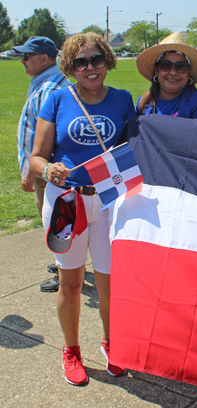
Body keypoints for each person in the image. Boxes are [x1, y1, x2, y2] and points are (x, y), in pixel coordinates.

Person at [29, 32, 136, 386]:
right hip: (67, 203)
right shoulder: (58, 99)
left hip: (107, 202)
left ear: (107, 61)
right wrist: (48, 170)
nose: (90, 67)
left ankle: (113, 342)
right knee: (71, 282)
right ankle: (72, 350)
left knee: (109, 284)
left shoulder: (122, 100)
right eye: (81, 62)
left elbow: (134, 150)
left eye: (96, 59)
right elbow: (36, 158)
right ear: (70, 67)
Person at [13, 36, 71, 292]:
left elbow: (43, 136)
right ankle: (64, 263)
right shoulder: (48, 82)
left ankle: (64, 270)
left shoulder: (48, 88)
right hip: (48, 168)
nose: (22, 60)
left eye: (27, 56)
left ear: (44, 58)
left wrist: (30, 170)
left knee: (54, 220)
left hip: (45, 170)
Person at [136, 32, 197, 120]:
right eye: (165, 65)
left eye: (181, 66)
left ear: (188, 71)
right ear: (156, 70)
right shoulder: (143, 103)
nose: (173, 72)